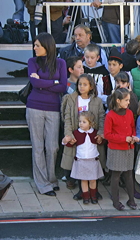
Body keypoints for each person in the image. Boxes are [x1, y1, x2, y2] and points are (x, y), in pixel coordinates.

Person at [26, 33, 67, 196]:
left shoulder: (60, 63)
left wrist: (44, 84)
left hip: (53, 108)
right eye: (34, 45)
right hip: (34, 106)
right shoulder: (32, 62)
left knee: (52, 147)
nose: (34, 48)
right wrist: (53, 82)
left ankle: (51, 179)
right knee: (37, 147)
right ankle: (43, 184)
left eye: (38, 45)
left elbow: (63, 86)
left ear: (47, 46)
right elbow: (34, 83)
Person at [60, 74, 105, 199]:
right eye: (80, 84)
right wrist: (69, 135)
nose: (82, 87)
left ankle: (94, 192)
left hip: (92, 138)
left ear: (91, 87)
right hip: (76, 137)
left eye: (85, 84)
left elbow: (102, 118)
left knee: (93, 163)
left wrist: (101, 134)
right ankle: (82, 191)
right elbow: (67, 118)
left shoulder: (97, 101)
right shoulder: (71, 99)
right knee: (79, 163)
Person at [104, 88, 138, 211]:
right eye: (126, 100)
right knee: (116, 175)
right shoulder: (110, 115)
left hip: (129, 148)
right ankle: (115, 200)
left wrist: (133, 136)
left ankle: (131, 199)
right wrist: (124, 138)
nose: (129, 102)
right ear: (118, 101)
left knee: (129, 174)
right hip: (116, 149)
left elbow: (132, 127)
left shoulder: (129, 113)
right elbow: (107, 135)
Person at [62, 111, 104, 204]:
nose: (81, 124)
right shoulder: (76, 133)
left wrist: (101, 139)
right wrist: (66, 141)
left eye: (84, 122)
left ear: (91, 123)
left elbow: (101, 142)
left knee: (93, 180)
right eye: (80, 121)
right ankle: (85, 197)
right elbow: (69, 144)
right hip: (81, 160)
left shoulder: (95, 133)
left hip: (93, 160)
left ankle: (93, 196)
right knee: (83, 180)